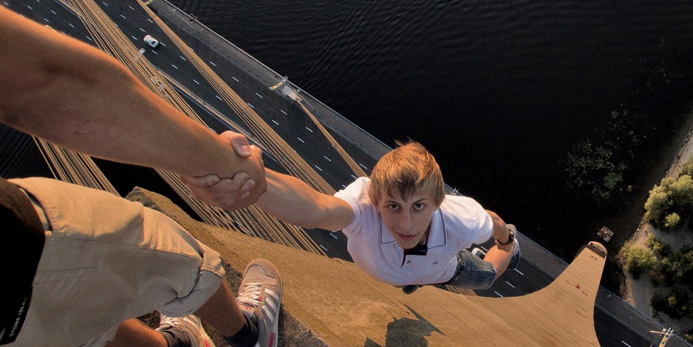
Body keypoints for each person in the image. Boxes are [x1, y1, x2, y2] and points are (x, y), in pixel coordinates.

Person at [0, 5, 282, 347]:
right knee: (167, 256)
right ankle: (249, 335)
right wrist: (225, 165)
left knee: (60, 327)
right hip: (16, 248)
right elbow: (46, 83)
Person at [185, 139, 520, 293]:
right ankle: (411, 280)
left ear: (437, 202)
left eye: (418, 206)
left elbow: (489, 220)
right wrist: (253, 180)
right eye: (392, 206)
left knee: (487, 276)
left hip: (447, 270)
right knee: (413, 275)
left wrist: (505, 239)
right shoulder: (362, 207)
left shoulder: (459, 217)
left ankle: (510, 251)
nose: (405, 226)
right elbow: (315, 209)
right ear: (375, 200)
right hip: (415, 272)